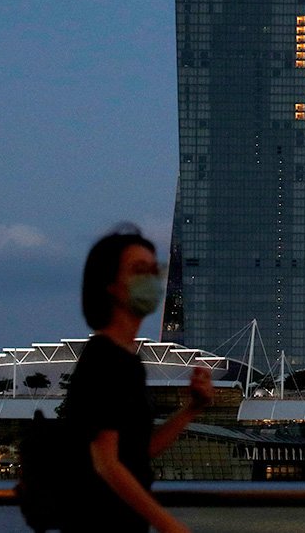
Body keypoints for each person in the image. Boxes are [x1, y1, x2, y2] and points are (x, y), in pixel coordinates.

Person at [63, 225, 214, 533]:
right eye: (138, 269)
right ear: (111, 285)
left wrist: (191, 409)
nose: (151, 279)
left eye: (152, 269)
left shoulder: (127, 360)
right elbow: (105, 462)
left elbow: (135, 452)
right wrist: (168, 524)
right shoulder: (106, 360)